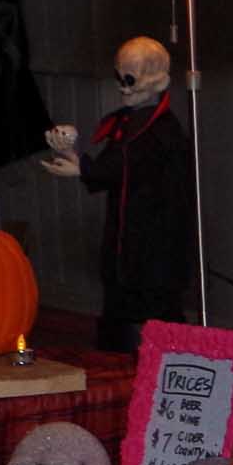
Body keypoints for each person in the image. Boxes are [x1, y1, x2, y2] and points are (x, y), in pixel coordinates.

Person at [40, 35, 194, 352]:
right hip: (127, 231)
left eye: (130, 79)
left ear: (156, 81)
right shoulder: (129, 122)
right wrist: (76, 159)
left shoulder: (162, 130)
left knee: (151, 295)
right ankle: (118, 343)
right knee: (120, 287)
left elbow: (127, 164)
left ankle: (155, 348)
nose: (123, 87)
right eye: (119, 77)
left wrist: (83, 167)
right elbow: (113, 164)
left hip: (154, 236)